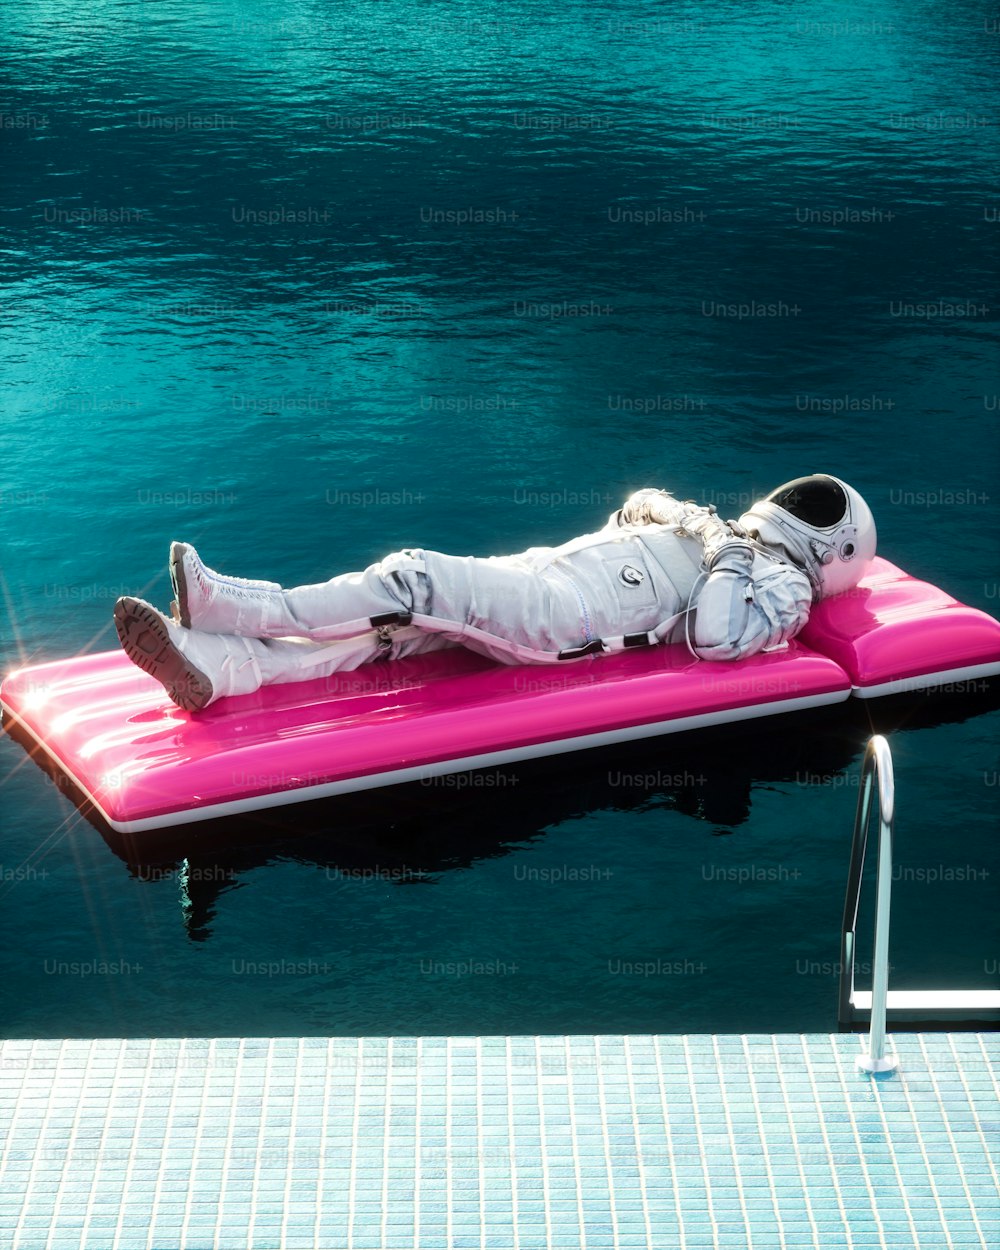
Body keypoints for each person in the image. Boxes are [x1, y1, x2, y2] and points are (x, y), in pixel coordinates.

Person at [114, 474, 876, 712]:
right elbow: (630, 510)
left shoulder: (781, 587)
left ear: (832, 552)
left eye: (814, 509)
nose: (797, 502)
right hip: (546, 576)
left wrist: (721, 547)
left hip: (571, 620)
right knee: (392, 635)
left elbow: (713, 636)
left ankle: (233, 606)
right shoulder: (727, 535)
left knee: (415, 576)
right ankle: (220, 666)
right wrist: (679, 515)